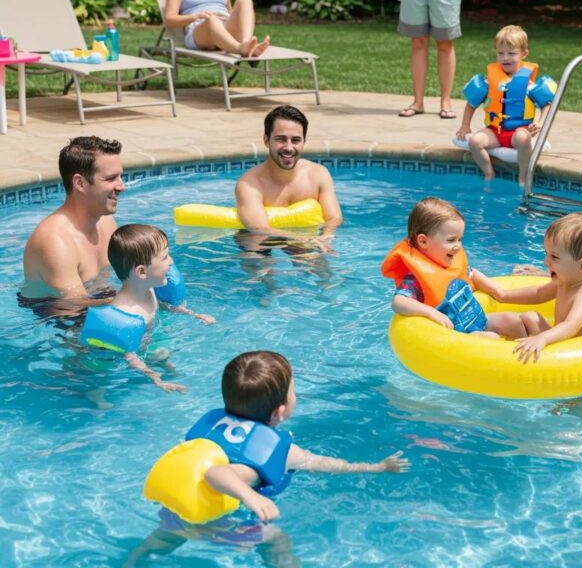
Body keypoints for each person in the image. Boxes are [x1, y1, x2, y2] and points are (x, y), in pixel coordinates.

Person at [179, 350, 409, 521]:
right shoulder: (285, 452)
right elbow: (215, 473)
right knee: (280, 546)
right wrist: (375, 467)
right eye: (292, 391)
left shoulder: (216, 425)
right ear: (280, 412)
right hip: (231, 523)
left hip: (177, 507)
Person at [80, 224, 214, 392]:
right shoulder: (126, 314)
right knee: (100, 384)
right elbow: (129, 356)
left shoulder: (148, 288)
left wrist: (194, 314)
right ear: (142, 272)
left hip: (147, 341)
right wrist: (156, 379)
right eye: (165, 257)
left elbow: (165, 306)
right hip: (113, 361)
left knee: (162, 354)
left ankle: (168, 367)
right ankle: (96, 397)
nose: (171, 262)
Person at [381, 197, 530, 339]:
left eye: (460, 239)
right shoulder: (415, 278)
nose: (458, 246)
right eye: (451, 240)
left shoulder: (452, 263)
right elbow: (398, 302)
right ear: (423, 241)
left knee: (511, 320)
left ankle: (523, 359)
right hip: (455, 335)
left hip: (476, 321)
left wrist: (495, 290)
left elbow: (471, 274)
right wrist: (430, 312)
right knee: (491, 337)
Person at [21, 136, 125, 314]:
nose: (122, 186)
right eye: (110, 179)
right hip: (57, 321)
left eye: (120, 177)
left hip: (100, 302)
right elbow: (73, 307)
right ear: (80, 183)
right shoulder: (55, 241)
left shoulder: (106, 221)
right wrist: (133, 297)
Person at [488, 212, 582, 364]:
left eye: (554, 257)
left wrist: (542, 338)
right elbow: (538, 294)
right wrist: (503, 295)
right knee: (531, 317)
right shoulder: (566, 280)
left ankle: (516, 353)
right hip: (562, 343)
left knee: (532, 325)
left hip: (576, 356)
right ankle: (514, 350)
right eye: (546, 254)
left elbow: (571, 326)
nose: (545, 262)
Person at [456, 25, 556, 184]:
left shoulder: (528, 84)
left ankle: (523, 177)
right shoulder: (490, 81)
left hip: (519, 131)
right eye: (500, 53)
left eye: (511, 53)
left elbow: (547, 104)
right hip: (495, 131)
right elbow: (472, 103)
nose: (505, 58)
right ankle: (489, 174)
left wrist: (541, 123)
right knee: (475, 142)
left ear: (524, 54)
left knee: (523, 138)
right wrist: (465, 125)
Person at [235, 105, 343, 243]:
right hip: (261, 240)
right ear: (266, 140)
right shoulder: (249, 185)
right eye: (281, 139)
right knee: (253, 250)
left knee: (316, 261)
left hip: (305, 237)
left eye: (296, 140)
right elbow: (258, 229)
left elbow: (334, 218)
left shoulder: (318, 175)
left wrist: (325, 236)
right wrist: (302, 238)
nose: (289, 148)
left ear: (304, 142)